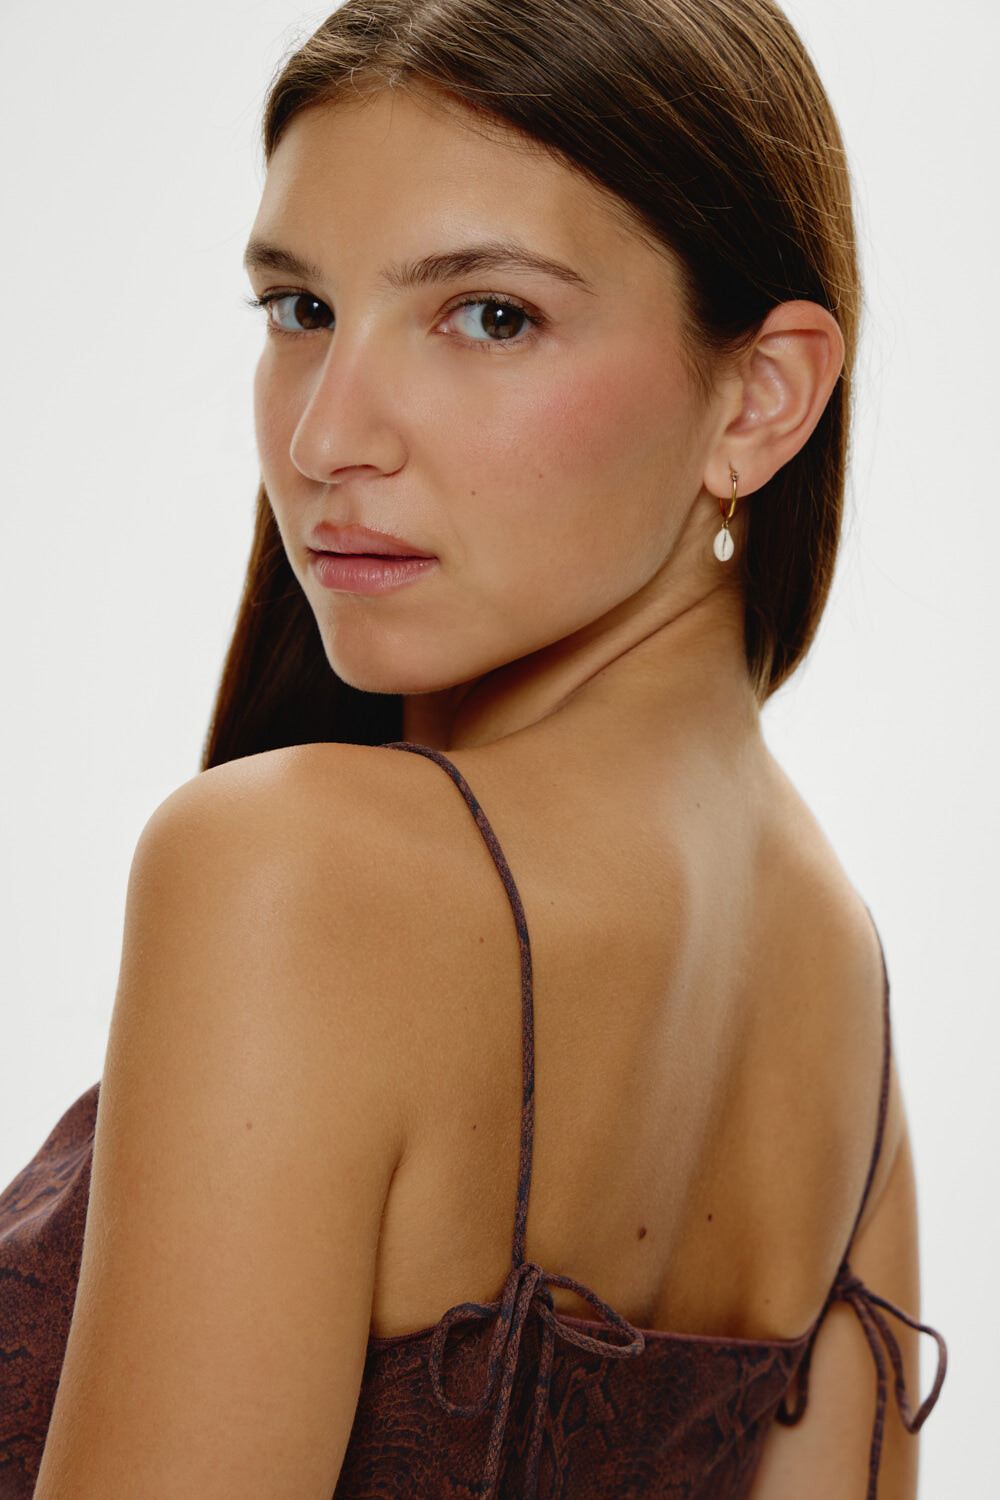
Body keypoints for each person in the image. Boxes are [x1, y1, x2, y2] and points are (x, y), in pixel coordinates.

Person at [0, 0, 946, 1495]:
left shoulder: (293, 868)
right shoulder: (846, 1010)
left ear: (761, 395)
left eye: (490, 316)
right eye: (299, 308)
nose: (325, 438)